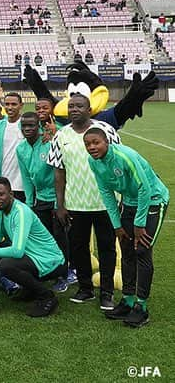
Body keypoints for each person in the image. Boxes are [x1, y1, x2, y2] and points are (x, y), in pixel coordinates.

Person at [83, 128, 169, 327]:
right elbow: (106, 192)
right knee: (127, 250)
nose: (92, 147)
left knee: (142, 251)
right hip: (129, 203)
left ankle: (141, 307)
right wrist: (117, 225)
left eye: (96, 142)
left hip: (154, 200)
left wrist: (139, 224)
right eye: (88, 144)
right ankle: (128, 300)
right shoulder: (93, 162)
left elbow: (144, 188)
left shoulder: (124, 155)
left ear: (107, 142)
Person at [48, 93, 119, 310]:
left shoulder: (106, 130)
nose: (74, 110)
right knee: (78, 248)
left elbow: (119, 161)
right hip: (75, 203)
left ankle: (106, 293)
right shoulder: (61, 135)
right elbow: (59, 172)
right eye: (71, 106)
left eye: (79, 106)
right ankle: (86, 288)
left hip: (105, 202)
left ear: (89, 110)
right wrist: (60, 205)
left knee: (107, 247)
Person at [0, 178, 66, 317]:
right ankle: (29, 290)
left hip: (51, 261)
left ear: (11, 194)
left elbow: (17, 251)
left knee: (6, 264)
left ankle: (47, 297)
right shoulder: (2, 210)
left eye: (1, 194)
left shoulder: (21, 212)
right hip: (31, 256)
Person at [16, 111, 73, 291]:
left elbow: (60, 173)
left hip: (56, 199)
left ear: (38, 126)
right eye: (24, 126)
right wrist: (29, 202)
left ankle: (64, 275)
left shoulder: (48, 143)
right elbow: (26, 177)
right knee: (44, 239)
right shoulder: (21, 149)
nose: (27, 129)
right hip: (39, 199)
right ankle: (49, 271)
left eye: (31, 125)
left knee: (60, 238)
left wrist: (59, 203)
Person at [0, 93, 25, 200]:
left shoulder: (26, 124)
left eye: (14, 104)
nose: (10, 107)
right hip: (3, 181)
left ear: (21, 105)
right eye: (7, 104)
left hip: (22, 182)